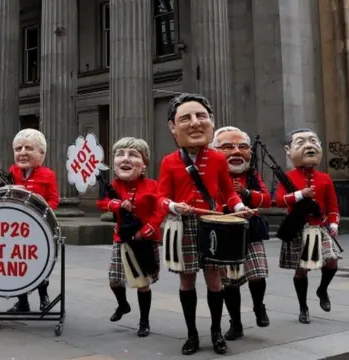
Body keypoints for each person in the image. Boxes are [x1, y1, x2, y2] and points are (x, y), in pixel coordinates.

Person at [157, 93, 254, 355]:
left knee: (215, 281)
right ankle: (191, 334)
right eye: (186, 118)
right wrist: (173, 206)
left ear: (211, 122)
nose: (195, 122)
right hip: (183, 226)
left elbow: (228, 193)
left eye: (201, 116)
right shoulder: (169, 161)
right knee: (186, 281)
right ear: (173, 127)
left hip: (213, 225)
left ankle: (216, 332)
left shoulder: (218, 159)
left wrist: (239, 207)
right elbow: (160, 197)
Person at [96, 137, 167, 337]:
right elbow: (102, 203)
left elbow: (159, 212)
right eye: (120, 155)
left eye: (133, 155)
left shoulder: (153, 186)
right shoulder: (113, 186)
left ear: (144, 165)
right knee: (114, 280)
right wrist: (117, 204)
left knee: (142, 284)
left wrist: (146, 231)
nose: (125, 159)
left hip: (144, 240)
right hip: (122, 239)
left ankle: (144, 321)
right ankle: (123, 304)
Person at [210, 126, 272, 340]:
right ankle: (235, 323)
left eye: (242, 147)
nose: (236, 152)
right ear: (214, 150)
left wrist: (246, 193)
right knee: (230, 282)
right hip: (224, 233)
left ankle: (258, 307)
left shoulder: (252, 174)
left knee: (258, 274)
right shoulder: (211, 174)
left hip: (251, 231)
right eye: (227, 147)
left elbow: (267, 200)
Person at [276, 128, 342, 324]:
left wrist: (334, 223)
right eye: (302, 142)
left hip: (319, 227)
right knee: (301, 271)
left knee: (332, 261)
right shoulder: (288, 176)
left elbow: (332, 205)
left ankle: (322, 290)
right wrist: (299, 195)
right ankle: (303, 307)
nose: (309, 146)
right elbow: (279, 200)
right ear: (289, 150)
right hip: (298, 228)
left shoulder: (325, 178)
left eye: (313, 141)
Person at [5, 128, 59, 313]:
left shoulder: (48, 174)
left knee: (40, 262)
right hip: (16, 228)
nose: (22, 153)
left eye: (29, 148)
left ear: (41, 153)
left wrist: (45, 210)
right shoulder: (12, 172)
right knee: (19, 263)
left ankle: (44, 298)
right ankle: (22, 302)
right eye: (18, 148)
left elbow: (54, 200)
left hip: (39, 227)